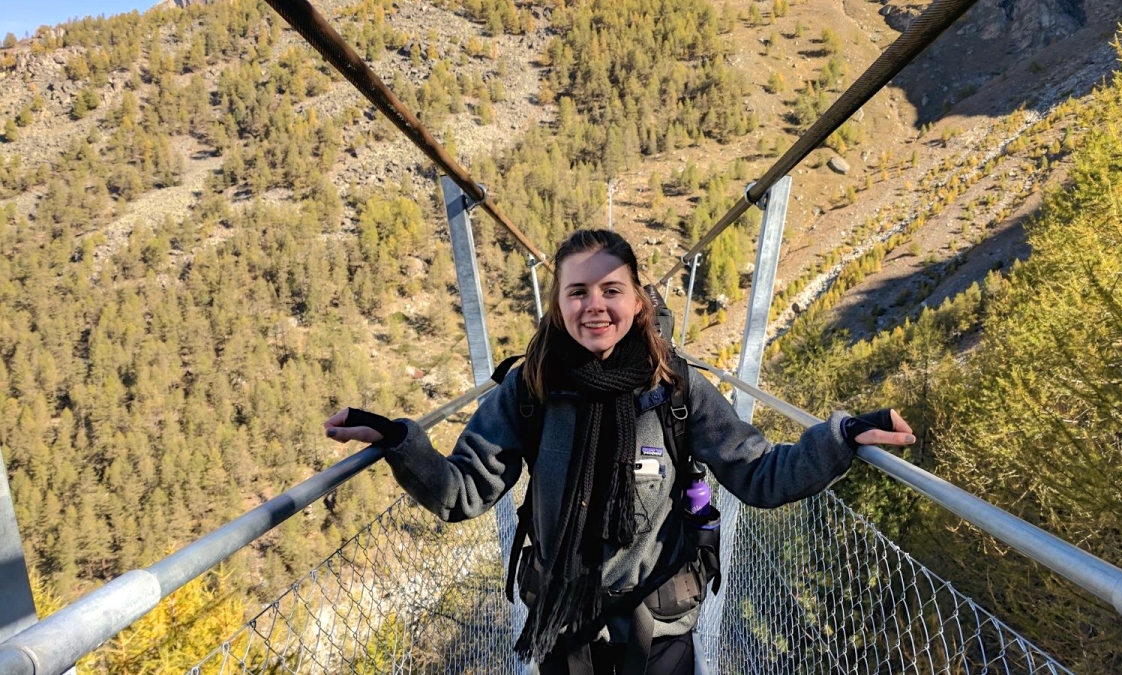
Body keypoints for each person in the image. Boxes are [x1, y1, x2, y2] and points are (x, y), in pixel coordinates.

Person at [323, 229, 915, 675]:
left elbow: (759, 474)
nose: (595, 306)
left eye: (612, 290)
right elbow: (464, 492)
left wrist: (839, 437)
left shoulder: (678, 389)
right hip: (561, 617)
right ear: (557, 305)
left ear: (638, 302)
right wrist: (400, 443)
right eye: (577, 292)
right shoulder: (527, 391)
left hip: (658, 623)